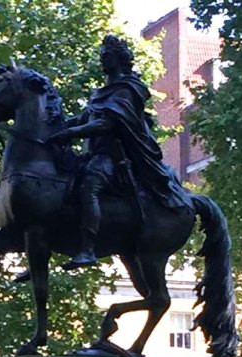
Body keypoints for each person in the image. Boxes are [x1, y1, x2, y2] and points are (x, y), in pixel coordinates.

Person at [49, 34, 191, 269]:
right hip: (93, 154)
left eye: (106, 55)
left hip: (115, 156)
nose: (102, 59)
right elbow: (84, 118)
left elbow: (106, 123)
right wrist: (54, 127)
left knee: (90, 185)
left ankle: (88, 249)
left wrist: (69, 134)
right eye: (101, 55)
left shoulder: (128, 89)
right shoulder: (102, 92)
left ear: (119, 59)